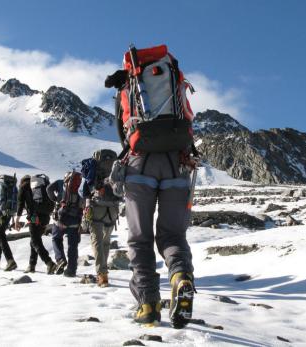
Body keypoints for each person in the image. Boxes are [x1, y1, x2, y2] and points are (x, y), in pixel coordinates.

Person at [105, 44, 198, 328]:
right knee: (172, 236)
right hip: (177, 163)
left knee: (139, 238)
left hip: (140, 165)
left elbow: (124, 132)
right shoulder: (174, 81)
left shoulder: (127, 89)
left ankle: (147, 304)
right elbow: (188, 120)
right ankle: (181, 276)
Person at [79, 149, 121, 287]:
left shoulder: (93, 167)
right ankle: (104, 270)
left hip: (97, 207)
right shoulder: (115, 167)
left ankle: (102, 275)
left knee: (96, 241)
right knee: (106, 242)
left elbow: (84, 190)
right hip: (113, 208)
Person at [14, 174, 57, 274]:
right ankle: (32, 265)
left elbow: (20, 204)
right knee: (34, 241)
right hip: (45, 217)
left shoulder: (24, 187)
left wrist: (17, 220)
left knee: (35, 242)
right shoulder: (40, 186)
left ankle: (49, 263)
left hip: (34, 217)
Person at [46, 171, 84, 277]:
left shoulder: (60, 183)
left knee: (56, 238)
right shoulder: (79, 189)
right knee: (73, 246)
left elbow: (48, 189)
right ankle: (71, 270)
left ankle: (60, 259)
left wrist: (55, 200)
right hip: (75, 222)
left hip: (60, 220)